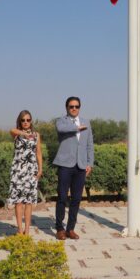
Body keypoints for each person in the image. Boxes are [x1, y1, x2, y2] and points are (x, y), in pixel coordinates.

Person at [53, 96, 94, 240]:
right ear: (67, 108)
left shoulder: (86, 122)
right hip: (65, 164)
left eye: (77, 106)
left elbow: (89, 144)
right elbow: (61, 129)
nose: (74, 109)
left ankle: (70, 228)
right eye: (71, 106)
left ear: (80, 107)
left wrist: (90, 163)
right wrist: (77, 127)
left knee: (76, 199)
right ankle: (59, 228)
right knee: (62, 197)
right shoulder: (61, 121)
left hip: (80, 166)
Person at [8, 110, 43, 235]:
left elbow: (38, 152)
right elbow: (12, 131)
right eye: (23, 120)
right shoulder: (17, 134)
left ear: (31, 121)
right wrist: (24, 134)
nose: (26, 122)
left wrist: (40, 169)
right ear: (20, 121)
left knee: (28, 202)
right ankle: (19, 229)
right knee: (18, 202)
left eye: (28, 120)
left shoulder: (36, 135)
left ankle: (27, 230)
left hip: (31, 170)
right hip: (18, 170)